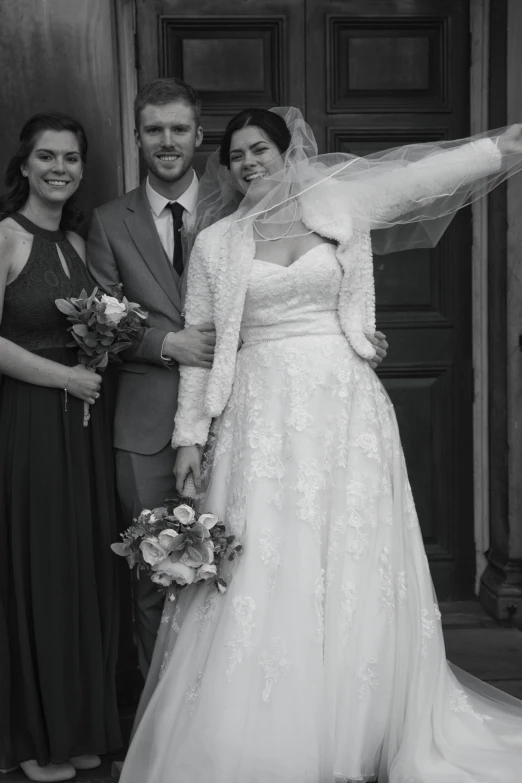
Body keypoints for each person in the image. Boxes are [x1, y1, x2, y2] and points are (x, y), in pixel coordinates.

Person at [119, 108, 522, 783]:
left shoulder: (337, 204)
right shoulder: (219, 243)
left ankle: (360, 716)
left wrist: (500, 147)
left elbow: (420, 179)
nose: (250, 163)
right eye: (237, 155)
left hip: (345, 406)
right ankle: (264, 728)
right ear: (226, 167)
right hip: (259, 412)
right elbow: (200, 344)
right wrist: (188, 437)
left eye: (261, 150)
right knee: (267, 558)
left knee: (353, 553)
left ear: (288, 153)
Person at [86, 77, 392, 679]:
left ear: (199, 139)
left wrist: (360, 339)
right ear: (139, 138)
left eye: (180, 129)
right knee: (161, 576)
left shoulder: (283, 215)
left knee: (278, 563)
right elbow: (100, 316)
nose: (167, 140)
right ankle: (170, 718)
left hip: (281, 408)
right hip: (160, 417)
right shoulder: (112, 221)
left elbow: (351, 298)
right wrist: (165, 346)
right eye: (154, 130)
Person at [0, 114, 121, 782]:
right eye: (46, 156)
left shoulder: (78, 239)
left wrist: (102, 347)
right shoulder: (6, 238)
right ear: (23, 164)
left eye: (70, 158)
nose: (58, 168)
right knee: (39, 568)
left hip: (83, 427)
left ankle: (76, 728)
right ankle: (31, 736)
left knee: (80, 571)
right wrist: (65, 375)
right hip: (30, 421)